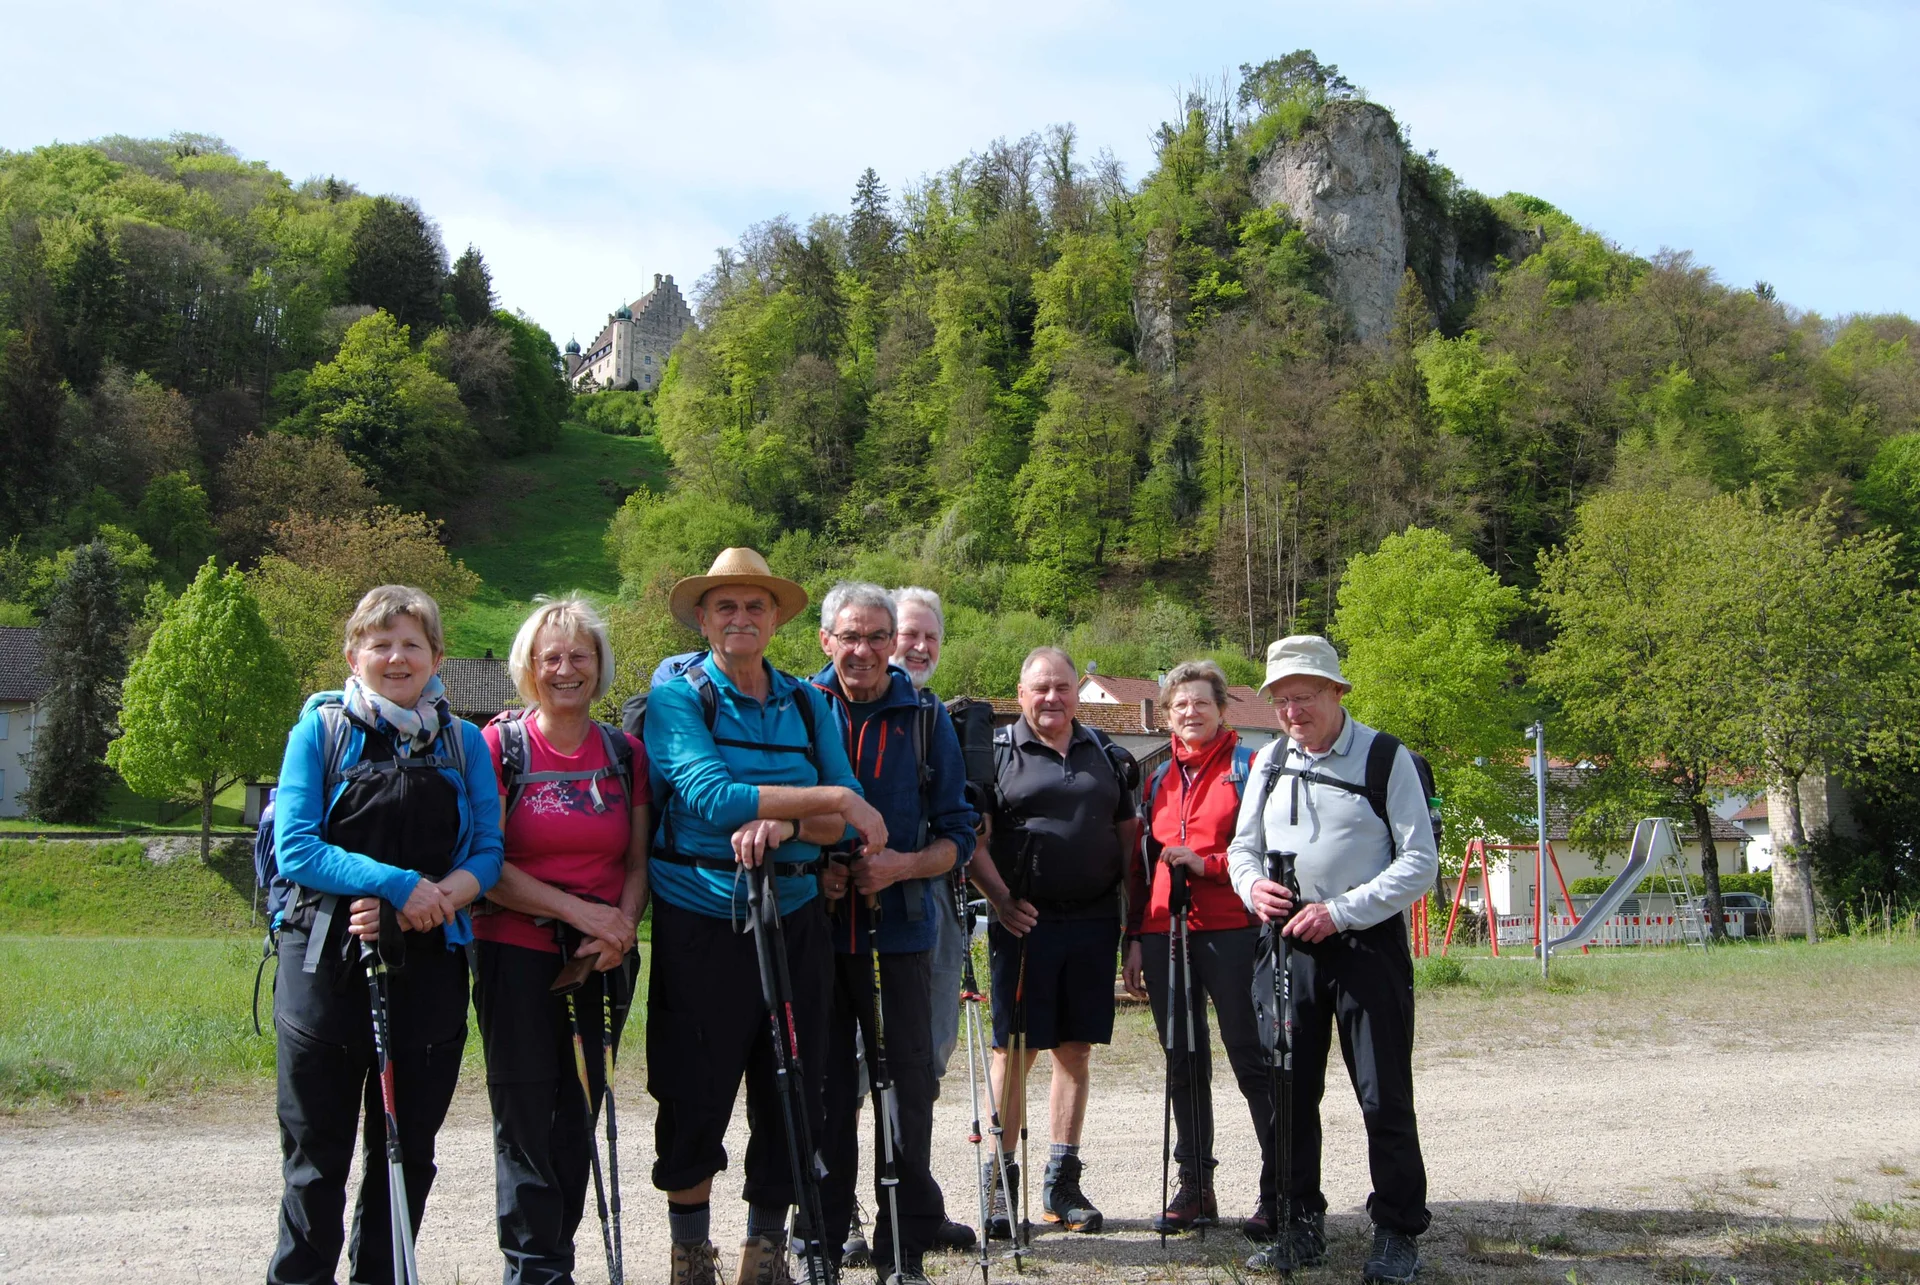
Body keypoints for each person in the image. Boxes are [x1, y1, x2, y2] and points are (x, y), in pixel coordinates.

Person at [643, 547, 888, 1285]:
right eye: (726, 606)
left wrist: (786, 823)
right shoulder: (679, 697)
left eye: (756, 605)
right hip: (702, 920)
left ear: (777, 618)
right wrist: (830, 801)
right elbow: (712, 797)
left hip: (797, 915)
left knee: (794, 1085)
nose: (741, 618)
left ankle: (764, 1255)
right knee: (694, 1087)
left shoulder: (807, 704)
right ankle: (691, 1257)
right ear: (703, 619)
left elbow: (845, 820)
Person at [267, 585, 504, 1285]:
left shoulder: (463, 743)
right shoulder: (320, 732)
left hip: (429, 966)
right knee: (316, 1158)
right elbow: (297, 848)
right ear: (354, 656)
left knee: (407, 1155)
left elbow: (488, 854)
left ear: (437, 658)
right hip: (323, 966)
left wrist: (431, 902)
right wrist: (400, 885)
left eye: (412, 644)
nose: (396, 657)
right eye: (380, 644)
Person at [1226, 636, 1437, 1285]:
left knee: (1382, 1092)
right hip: (1287, 945)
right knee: (1289, 1092)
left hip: (1365, 944)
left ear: (1336, 692)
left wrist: (1341, 911)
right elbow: (1241, 848)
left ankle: (1397, 1231)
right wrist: (1251, 886)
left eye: (1305, 697)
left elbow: (1420, 862)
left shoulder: (1385, 756)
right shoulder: (1267, 761)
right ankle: (1299, 1223)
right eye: (1281, 700)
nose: (1292, 711)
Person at [473, 595, 649, 1285]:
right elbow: (488, 867)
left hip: (602, 959)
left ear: (599, 666)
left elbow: (636, 863)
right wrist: (583, 915)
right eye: (552, 657)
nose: (566, 668)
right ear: (529, 667)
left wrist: (620, 927)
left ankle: (557, 1261)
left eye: (580, 655)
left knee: (578, 1114)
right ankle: (532, 1269)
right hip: (515, 952)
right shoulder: (500, 748)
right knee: (525, 1115)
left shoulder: (624, 753)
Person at [808, 582, 978, 1284]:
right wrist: (817, 868)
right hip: (818, 938)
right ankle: (821, 1242)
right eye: (849, 636)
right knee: (824, 1092)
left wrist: (901, 865)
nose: (864, 650)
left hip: (902, 934)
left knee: (907, 1091)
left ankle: (901, 1248)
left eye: (877, 636)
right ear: (826, 640)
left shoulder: (925, 717)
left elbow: (959, 835)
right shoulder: (799, 707)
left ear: (892, 642)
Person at [966, 646, 1138, 1236]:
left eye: (1063, 687)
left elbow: (1129, 844)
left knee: (1075, 1050)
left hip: (1094, 922)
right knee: (1014, 1051)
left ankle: (1061, 1186)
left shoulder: (1107, 755)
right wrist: (1000, 901)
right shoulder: (995, 756)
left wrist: (1134, 928)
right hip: (1024, 924)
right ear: (1020, 694)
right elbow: (974, 842)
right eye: (1040, 688)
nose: (1052, 698)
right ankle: (999, 1185)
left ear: (1075, 693)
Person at [1121, 660, 1278, 1238]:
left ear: (1222, 709)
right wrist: (1135, 937)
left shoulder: (1249, 768)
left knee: (1250, 1057)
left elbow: (1265, 851)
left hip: (1234, 927)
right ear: (1167, 714)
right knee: (1183, 1061)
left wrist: (1207, 865)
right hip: (1165, 931)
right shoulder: (1156, 777)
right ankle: (1195, 1186)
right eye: (1180, 704)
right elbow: (1141, 866)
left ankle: (1279, 1186)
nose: (1191, 712)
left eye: (1201, 702)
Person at [889, 584, 982, 1256]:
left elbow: (959, 824)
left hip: (933, 904)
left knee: (926, 1057)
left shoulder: (933, 718)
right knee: (848, 1064)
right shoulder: (825, 704)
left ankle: (913, 1211)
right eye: (908, 633)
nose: (918, 647)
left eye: (930, 636)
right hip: (848, 908)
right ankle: (838, 1214)